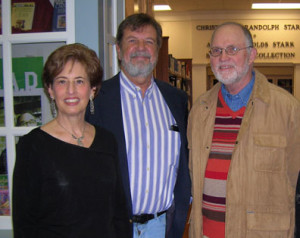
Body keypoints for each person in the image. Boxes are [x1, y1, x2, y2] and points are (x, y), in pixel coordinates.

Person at [187, 22, 300, 238]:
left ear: (251, 56)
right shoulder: (199, 111)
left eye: (232, 49)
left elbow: (296, 183)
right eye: (216, 50)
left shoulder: (288, 110)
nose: (223, 57)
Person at [86, 13, 191, 238]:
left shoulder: (177, 100)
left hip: (163, 226)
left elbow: (184, 160)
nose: (141, 48)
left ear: (158, 50)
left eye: (149, 42)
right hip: (112, 227)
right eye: (132, 40)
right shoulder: (96, 100)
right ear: (118, 49)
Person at [13, 43, 131, 238]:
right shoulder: (32, 146)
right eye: (61, 81)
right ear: (50, 90)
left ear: (92, 90)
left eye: (79, 81)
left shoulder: (107, 140)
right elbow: (25, 225)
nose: (70, 90)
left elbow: (119, 212)